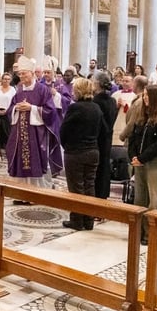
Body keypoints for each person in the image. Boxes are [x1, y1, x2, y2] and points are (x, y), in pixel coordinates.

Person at [6, 56, 63, 189]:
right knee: (19, 159)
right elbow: (10, 108)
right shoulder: (19, 91)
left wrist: (31, 108)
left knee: (35, 160)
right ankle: (20, 191)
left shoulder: (42, 89)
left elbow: (51, 111)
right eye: (19, 74)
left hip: (36, 134)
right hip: (20, 133)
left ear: (32, 74)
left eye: (24, 73)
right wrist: (16, 108)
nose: (21, 76)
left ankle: (37, 191)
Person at [128, 84, 157, 244]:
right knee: (139, 198)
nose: (145, 98)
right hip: (139, 161)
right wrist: (133, 156)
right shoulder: (142, 114)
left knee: (155, 199)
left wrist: (142, 158)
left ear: (156, 97)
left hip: (155, 161)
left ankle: (151, 233)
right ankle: (138, 231)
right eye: (144, 95)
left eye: (148, 95)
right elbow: (133, 137)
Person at [60, 78, 106, 230]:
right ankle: (89, 220)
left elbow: (64, 130)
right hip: (93, 151)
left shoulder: (76, 108)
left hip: (75, 152)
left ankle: (77, 221)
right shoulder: (96, 108)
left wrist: (67, 146)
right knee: (89, 186)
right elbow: (103, 131)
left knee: (76, 188)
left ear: (78, 91)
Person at [91, 71, 118, 199]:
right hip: (108, 137)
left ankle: (96, 195)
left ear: (97, 84)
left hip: (97, 138)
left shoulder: (96, 101)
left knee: (97, 168)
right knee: (105, 166)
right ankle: (103, 194)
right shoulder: (112, 100)